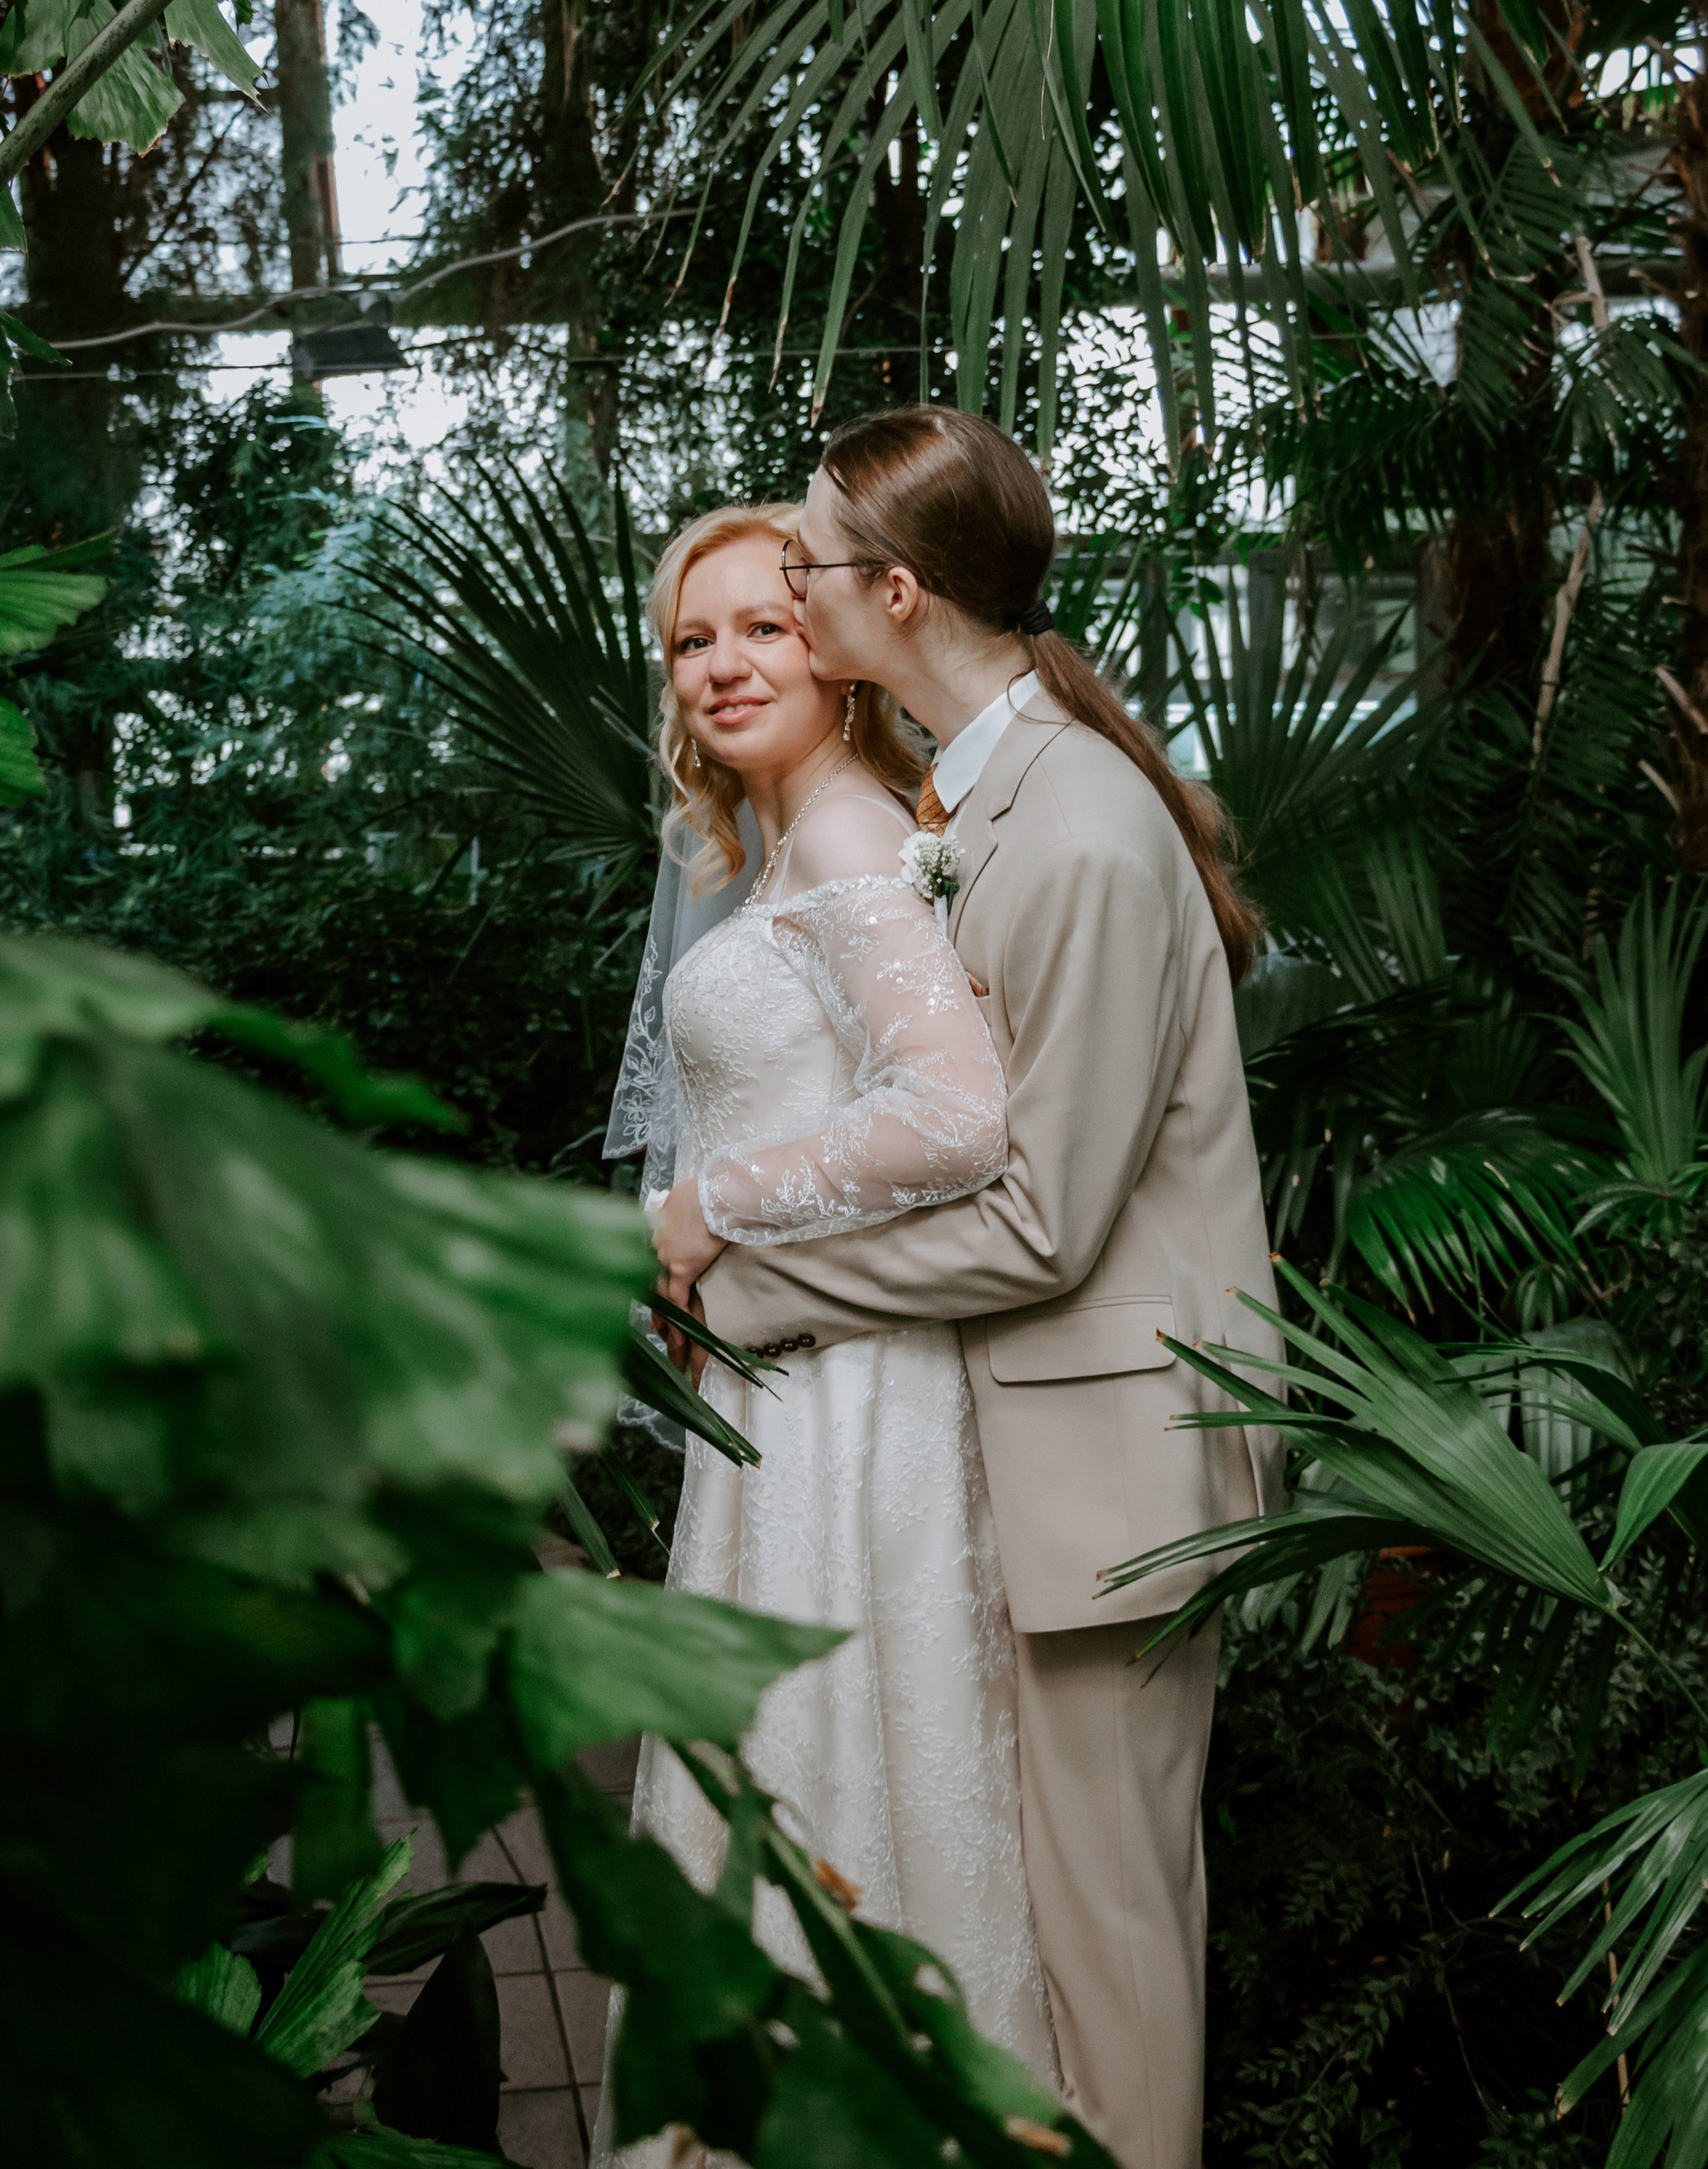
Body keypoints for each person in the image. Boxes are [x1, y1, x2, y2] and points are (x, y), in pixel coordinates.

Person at [669, 410, 1284, 2169]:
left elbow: (1042, 1227)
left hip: (1118, 1486)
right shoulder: (982, 797)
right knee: (1052, 1971)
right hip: (1033, 1470)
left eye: (805, 569)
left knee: (1110, 1969)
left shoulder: (1077, 829)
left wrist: (759, 1285)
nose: (780, 593)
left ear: (895, 596)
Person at [595, 499, 1058, 2167]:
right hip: (782, 1396)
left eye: (761, 627)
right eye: (689, 640)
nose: (721, 664)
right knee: (776, 1780)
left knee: (838, 1769)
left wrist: (715, 1210)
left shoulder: (856, 835)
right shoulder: (781, 844)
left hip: (852, 1407)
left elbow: (953, 1114)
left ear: (839, 650)